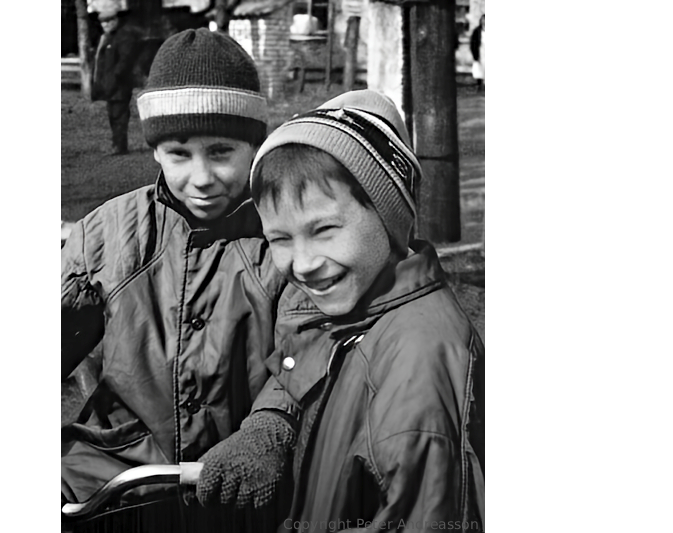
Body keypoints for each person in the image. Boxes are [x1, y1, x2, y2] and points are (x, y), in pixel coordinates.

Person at [197, 90, 485, 532]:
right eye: (280, 239)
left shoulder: (420, 363)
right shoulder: (355, 311)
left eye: (325, 230)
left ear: (390, 218)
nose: (303, 262)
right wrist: (271, 426)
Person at [61, 28, 298, 529]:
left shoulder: (286, 237)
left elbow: (312, 344)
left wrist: (271, 424)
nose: (202, 177)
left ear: (255, 145)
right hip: (117, 476)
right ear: (154, 152)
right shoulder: (110, 233)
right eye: (179, 154)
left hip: (244, 483)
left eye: (220, 151)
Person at [91, 8, 141, 155]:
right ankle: (117, 144)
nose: (105, 25)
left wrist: (114, 78)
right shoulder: (108, 37)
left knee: (119, 115)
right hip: (110, 85)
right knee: (113, 115)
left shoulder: (124, 36)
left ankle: (119, 146)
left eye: (108, 22)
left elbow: (124, 62)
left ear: (115, 21)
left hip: (120, 85)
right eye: (103, 23)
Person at [470, 14, 485, 92]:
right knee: (479, 69)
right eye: (483, 19)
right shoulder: (477, 31)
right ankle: (479, 85)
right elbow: (473, 43)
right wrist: (475, 53)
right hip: (480, 52)